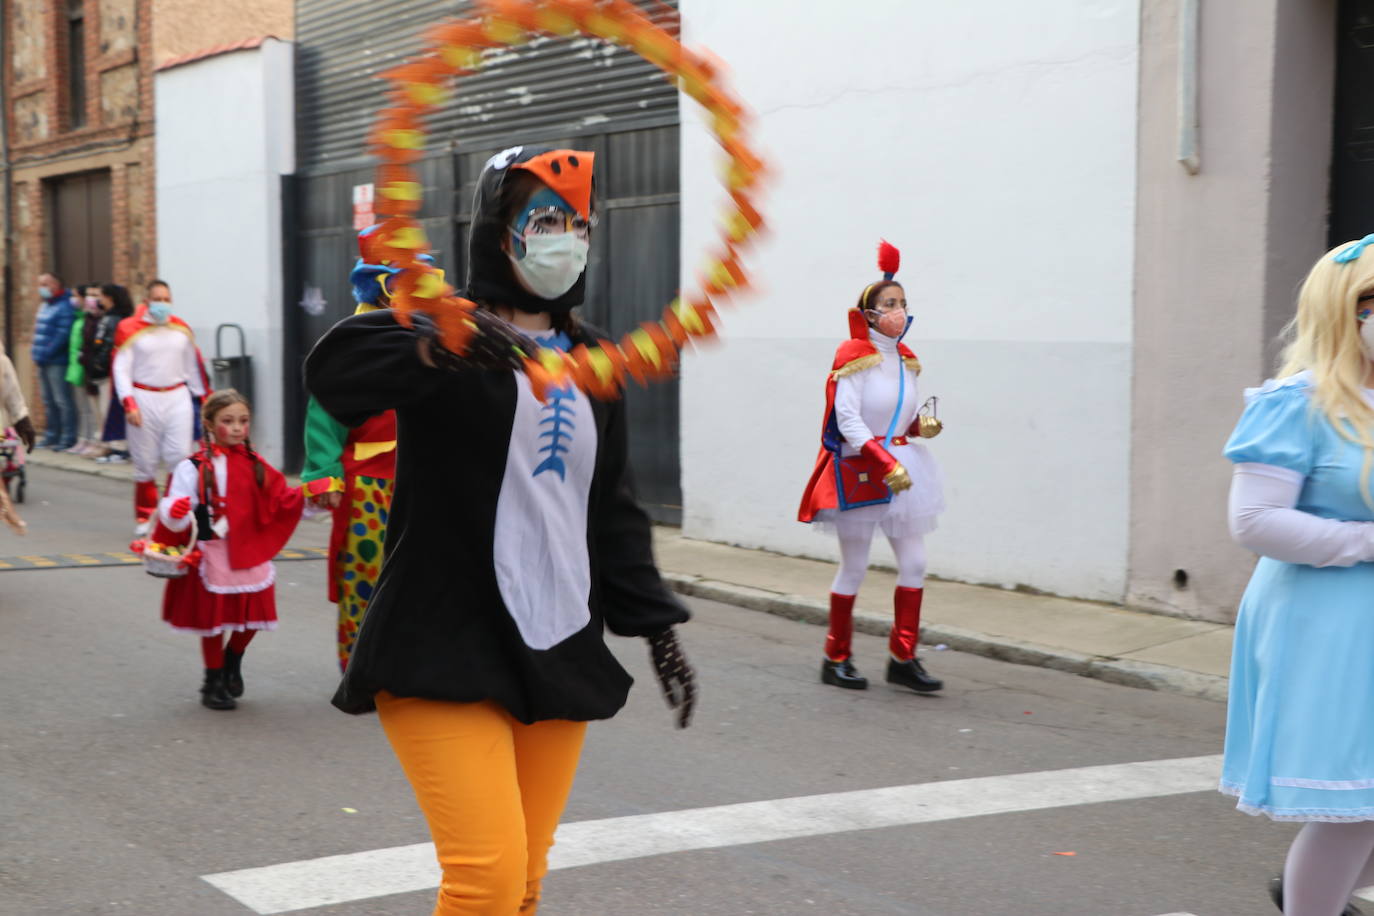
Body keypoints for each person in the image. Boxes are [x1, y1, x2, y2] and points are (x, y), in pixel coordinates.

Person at [306, 145, 696, 915]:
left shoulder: (594, 363)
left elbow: (611, 508)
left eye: (575, 222)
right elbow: (338, 369)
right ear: (498, 231)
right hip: (441, 641)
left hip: (554, 642)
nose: (564, 237)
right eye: (543, 219)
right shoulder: (447, 338)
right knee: (484, 877)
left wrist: (655, 625)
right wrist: (438, 344)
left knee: (523, 881)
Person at [1222, 235, 1374, 916]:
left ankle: (1316, 896)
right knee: (1356, 808)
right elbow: (1255, 520)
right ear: (1341, 309)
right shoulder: (1296, 402)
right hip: (1327, 624)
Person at [798, 242, 947, 694]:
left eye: (902, 303)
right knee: (855, 567)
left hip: (905, 468)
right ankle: (835, 655)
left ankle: (903, 656)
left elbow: (899, 419)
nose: (899, 311)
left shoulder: (906, 361)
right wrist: (883, 461)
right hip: (863, 470)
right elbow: (848, 419)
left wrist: (921, 428)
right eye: (889, 304)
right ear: (868, 313)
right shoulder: (855, 358)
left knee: (916, 562)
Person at [148, 389, 305, 710]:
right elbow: (174, 505)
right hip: (212, 552)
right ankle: (213, 680)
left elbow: (282, 499)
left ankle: (234, 658)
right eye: (228, 421)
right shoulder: (192, 467)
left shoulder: (256, 464)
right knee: (213, 621)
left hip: (249, 549)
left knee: (252, 617)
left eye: (243, 421)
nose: (236, 428)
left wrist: (314, 493)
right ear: (208, 424)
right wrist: (175, 512)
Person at [301, 226, 402, 672]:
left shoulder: (429, 338)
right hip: (369, 485)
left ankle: (411, 667)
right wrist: (325, 475)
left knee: (420, 578)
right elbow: (322, 415)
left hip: (422, 480)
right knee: (363, 577)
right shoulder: (350, 346)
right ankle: (360, 669)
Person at [113, 279, 208, 532]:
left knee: (180, 457)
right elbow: (121, 369)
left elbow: (192, 367)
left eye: (167, 299)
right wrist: (129, 402)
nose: (162, 304)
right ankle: (145, 516)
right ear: (146, 302)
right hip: (144, 397)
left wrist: (205, 398)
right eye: (158, 299)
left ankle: (173, 512)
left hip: (177, 397)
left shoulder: (181, 331)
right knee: (145, 461)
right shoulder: (130, 329)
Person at [85, 284, 134, 462]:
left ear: (110, 298)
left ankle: (118, 447)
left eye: (102, 296)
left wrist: (99, 365)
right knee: (104, 409)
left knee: (110, 408)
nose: (99, 300)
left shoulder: (114, 319)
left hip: (108, 372)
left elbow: (107, 346)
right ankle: (110, 445)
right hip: (104, 371)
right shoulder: (109, 317)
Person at [30, 272, 77, 450]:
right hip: (43, 360)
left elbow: (62, 335)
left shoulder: (64, 306)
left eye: (45, 284)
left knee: (62, 400)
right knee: (48, 400)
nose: (42, 288)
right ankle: (52, 435)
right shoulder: (45, 305)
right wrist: (35, 352)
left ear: (56, 285)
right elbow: (38, 331)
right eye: (40, 284)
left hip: (57, 361)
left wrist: (47, 352)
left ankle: (67, 437)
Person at [62, 283, 99, 455]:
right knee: (82, 407)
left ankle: (91, 439)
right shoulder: (79, 318)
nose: (73, 299)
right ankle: (82, 438)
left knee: (90, 408)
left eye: (77, 295)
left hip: (84, 367)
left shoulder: (88, 319)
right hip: (76, 366)